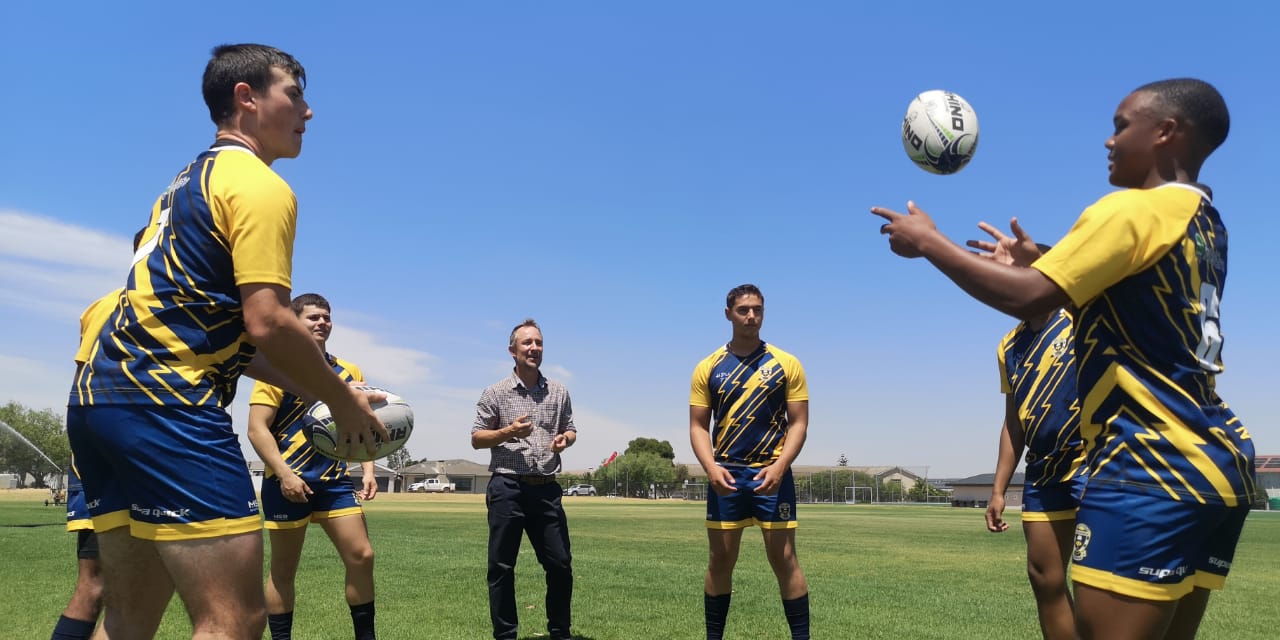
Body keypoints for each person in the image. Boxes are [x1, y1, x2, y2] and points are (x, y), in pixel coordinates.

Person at [872, 78, 1256, 639]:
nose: (1108, 140)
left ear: (1167, 132)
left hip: (1147, 467)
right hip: (1215, 464)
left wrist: (928, 241)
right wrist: (1044, 258)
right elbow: (1127, 284)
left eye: (1122, 125)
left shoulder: (1130, 209)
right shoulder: (1203, 224)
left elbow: (1026, 296)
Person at [66, 44, 388, 640]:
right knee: (236, 618)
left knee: (129, 617)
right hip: (167, 405)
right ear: (247, 98)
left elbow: (239, 343)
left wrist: (336, 391)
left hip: (98, 400)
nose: (308, 112)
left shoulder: (184, 182)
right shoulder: (259, 184)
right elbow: (270, 321)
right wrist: (342, 402)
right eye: (295, 93)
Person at [971, 224, 1086, 640]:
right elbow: (1014, 419)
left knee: (1097, 587)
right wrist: (999, 488)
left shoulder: (1078, 314)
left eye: (1020, 273)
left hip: (1094, 466)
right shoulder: (1009, 345)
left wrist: (1038, 260)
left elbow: (1075, 279)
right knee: (1044, 578)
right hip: (1042, 474)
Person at [248, 293, 379, 640]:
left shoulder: (349, 371)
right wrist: (286, 474)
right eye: (313, 317)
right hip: (288, 484)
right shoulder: (275, 366)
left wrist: (367, 470)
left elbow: (361, 424)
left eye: (326, 316)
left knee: (362, 556)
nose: (322, 322)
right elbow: (257, 428)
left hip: (335, 483)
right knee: (283, 571)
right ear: (295, 322)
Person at [689, 284, 810, 640]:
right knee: (720, 562)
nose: (751, 316)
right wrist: (711, 468)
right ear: (728, 314)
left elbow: (799, 422)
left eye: (757, 309)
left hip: (772, 473)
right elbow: (697, 426)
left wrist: (780, 466)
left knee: (785, 560)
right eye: (743, 310)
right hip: (726, 473)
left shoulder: (786, 364)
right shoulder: (708, 367)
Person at [471, 319, 577, 640]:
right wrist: (507, 432)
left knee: (560, 566)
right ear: (512, 351)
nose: (534, 348)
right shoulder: (496, 393)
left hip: (546, 490)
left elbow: (570, 428)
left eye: (538, 343)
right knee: (501, 568)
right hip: (507, 488)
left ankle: (559, 632)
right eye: (527, 343)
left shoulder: (558, 391)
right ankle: (506, 635)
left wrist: (565, 440)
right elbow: (477, 438)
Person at [52, 287, 122, 640]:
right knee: (101, 586)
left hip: (104, 447)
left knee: (116, 590)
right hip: (120, 453)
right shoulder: (130, 302)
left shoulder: (104, 304)